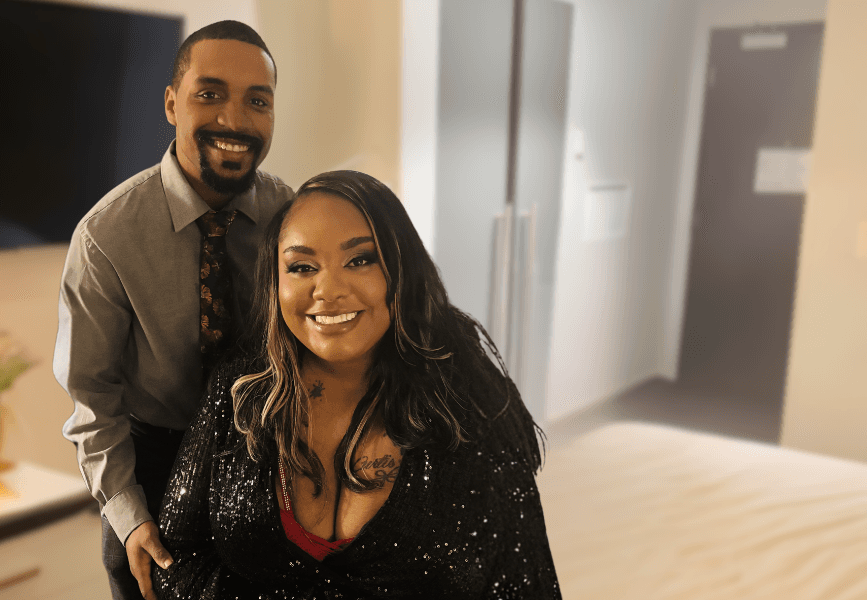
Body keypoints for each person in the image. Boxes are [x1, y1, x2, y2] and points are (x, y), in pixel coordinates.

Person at [153, 170, 562, 598]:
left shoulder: (474, 405)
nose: (328, 290)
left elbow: (523, 583)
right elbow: (177, 555)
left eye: (360, 260)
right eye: (302, 266)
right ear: (276, 282)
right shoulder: (239, 390)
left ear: (401, 269)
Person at [53, 20, 293, 600]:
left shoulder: (293, 215)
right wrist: (129, 514)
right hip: (154, 469)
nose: (234, 120)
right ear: (170, 103)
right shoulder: (107, 235)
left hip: (270, 455)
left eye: (256, 101)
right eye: (209, 94)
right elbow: (92, 395)